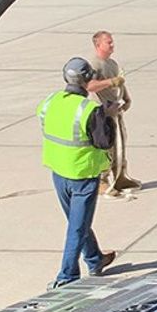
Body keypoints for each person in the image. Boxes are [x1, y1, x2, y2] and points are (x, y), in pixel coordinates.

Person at [40, 57, 119, 288]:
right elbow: (104, 142)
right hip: (82, 175)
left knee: (78, 222)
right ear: (88, 80)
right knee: (77, 227)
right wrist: (108, 117)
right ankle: (67, 277)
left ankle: (94, 259)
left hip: (58, 172)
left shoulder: (50, 101)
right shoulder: (89, 110)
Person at [88, 31, 140, 197]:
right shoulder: (94, 64)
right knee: (107, 147)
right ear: (98, 45)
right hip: (103, 113)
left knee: (120, 144)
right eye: (108, 42)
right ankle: (102, 181)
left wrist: (126, 97)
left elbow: (119, 82)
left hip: (116, 111)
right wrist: (111, 82)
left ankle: (120, 177)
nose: (112, 45)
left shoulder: (112, 63)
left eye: (112, 42)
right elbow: (90, 86)